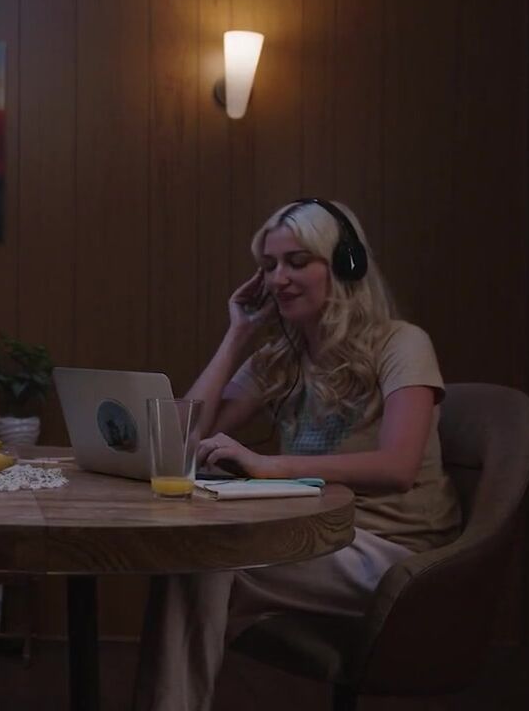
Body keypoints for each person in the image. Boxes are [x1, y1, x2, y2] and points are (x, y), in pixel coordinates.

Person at [133, 198, 462, 710]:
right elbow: (177, 443)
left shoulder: (402, 343)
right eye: (269, 266)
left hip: (396, 552)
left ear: (346, 265)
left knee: (202, 562)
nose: (278, 279)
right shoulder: (280, 359)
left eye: (297, 261)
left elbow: (398, 467)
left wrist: (272, 466)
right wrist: (237, 335)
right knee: (192, 559)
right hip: (315, 535)